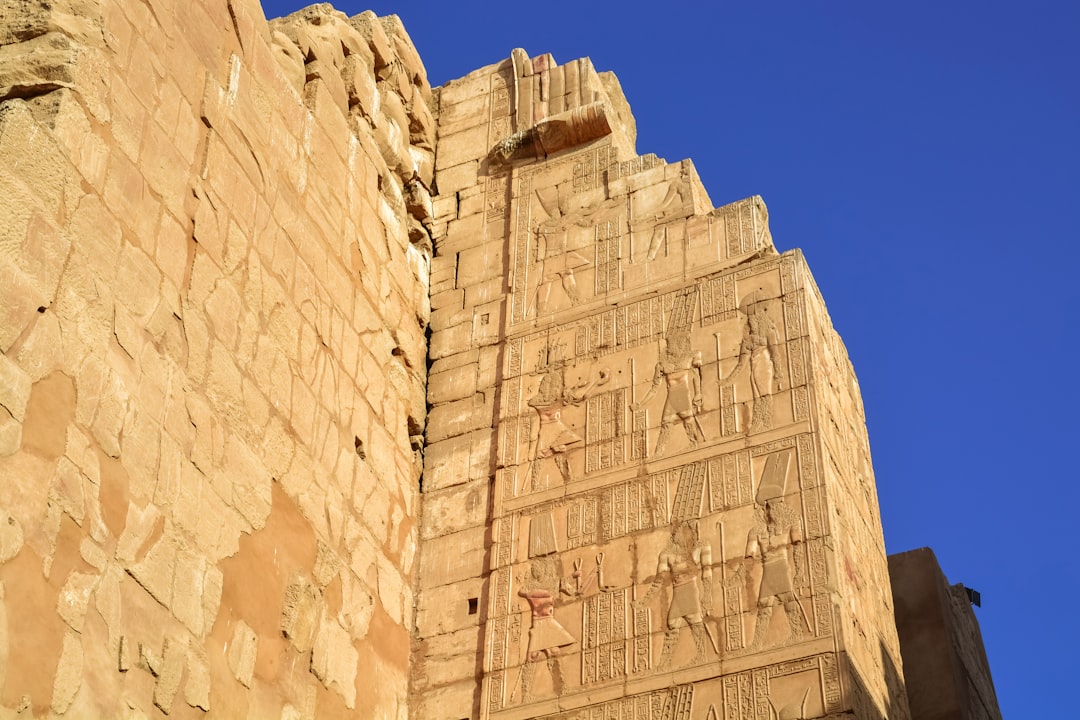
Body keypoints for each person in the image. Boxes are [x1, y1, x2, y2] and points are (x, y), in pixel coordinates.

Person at [635, 522, 714, 669]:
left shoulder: (699, 547)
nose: (674, 535)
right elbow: (658, 581)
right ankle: (664, 664)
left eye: (678, 532)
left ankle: (702, 656)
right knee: (673, 623)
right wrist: (645, 601)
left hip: (690, 589)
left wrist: (707, 595)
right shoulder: (666, 554)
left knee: (693, 620)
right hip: (678, 591)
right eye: (674, 532)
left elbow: (707, 571)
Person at [631, 332, 704, 456]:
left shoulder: (689, 357)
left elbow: (696, 376)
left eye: (672, 344)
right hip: (672, 396)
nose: (669, 347)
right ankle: (659, 453)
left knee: (686, 418)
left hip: (683, 393)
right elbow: (654, 389)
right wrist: (640, 404)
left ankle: (695, 443)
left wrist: (698, 393)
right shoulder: (661, 365)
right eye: (668, 344)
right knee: (666, 423)